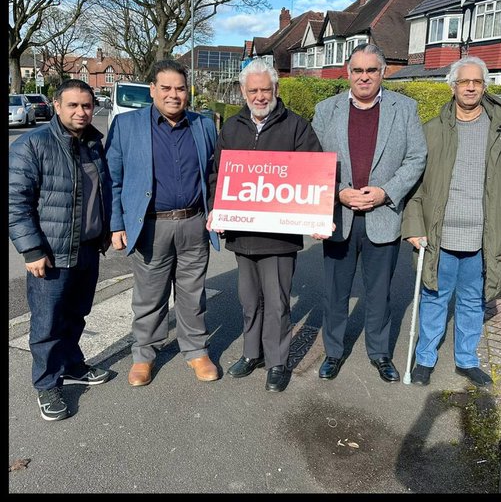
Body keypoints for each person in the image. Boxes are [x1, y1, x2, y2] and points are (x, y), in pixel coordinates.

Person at [401, 57, 501, 388]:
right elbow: (415, 186)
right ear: (453, 86)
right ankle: (425, 358)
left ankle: (466, 359)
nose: (471, 87)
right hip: (440, 236)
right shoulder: (431, 131)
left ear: (485, 86)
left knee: (474, 301)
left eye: (477, 82)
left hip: (485, 238)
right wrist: (414, 227)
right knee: (433, 297)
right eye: (464, 82)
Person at [312, 43, 427, 382]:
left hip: (383, 216)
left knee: (379, 294)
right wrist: (338, 192)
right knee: (335, 292)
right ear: (347, 73)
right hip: (339, 216)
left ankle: (379, 353)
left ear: (382, 72)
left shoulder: (404, 109)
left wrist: (385, 192)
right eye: (358, 70)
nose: (364, 77)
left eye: (371, 70)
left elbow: (416, 157)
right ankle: (333, 352)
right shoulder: (325, 110)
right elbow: (313, 161)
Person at [207, 59, 323, 393]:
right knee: (248, 300)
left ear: (276, 90)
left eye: (265, 90)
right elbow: (218, 175)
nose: (260, 96)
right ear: (243, 91)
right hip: (244, 235)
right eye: (253, 90)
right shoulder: (231, 128)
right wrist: (218, 209)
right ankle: (251, 353)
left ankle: (277, 362)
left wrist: (316, 216)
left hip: (280, 237)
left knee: (276, 303)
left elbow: (312, 175)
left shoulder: (297, 127)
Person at [105, 59, 220, 386]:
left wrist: (217, 210)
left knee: (192, 293)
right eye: (166, 88)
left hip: (194, 223)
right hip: (150, 226)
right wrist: (116, 224)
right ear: (152, 90)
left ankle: (196, 350)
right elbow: (113, 179)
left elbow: (213, 175)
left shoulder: (204, 125)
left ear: (188, 91)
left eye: (180, 88)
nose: (174, 95)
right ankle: (144, 354)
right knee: (149, 296)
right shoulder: (127, 126)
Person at [9, 80, 116, 422]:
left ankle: (72, 365)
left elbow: (103, 192)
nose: (81, 112)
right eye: (72, 105)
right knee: (47, 322)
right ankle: (46, 383)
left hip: (86, 249)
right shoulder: (33, 145)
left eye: (86, 106)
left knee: (77, 315)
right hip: (51, 254)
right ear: (56, 106)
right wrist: (31, 250)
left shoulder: (93, 144)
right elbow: (16, 203)